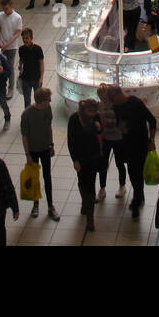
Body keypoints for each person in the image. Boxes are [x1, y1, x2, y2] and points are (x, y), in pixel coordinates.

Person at [110, 86, 156, 218]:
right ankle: (139, 197)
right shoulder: (116, 106)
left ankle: (137, 200)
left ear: (117, 95)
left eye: (112, 99)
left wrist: (151, 141)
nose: (112, 103)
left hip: (140, 146)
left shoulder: (135, 103)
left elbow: (152, 120)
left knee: (137, 174)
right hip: (126, 146)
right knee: (133, 173)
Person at [20, 87, 60, 221]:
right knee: (34, 177)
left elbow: (49, 127)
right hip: (32, 150)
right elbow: (25, 136)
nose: (50, 102)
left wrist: (52, 145)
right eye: (48, 100)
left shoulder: (47, 109)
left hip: (45, 148)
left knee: (47, 177)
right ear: (41, 100)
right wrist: (27, 155)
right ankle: (35, 204)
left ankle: (50, 205)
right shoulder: (27, 114)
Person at [67, 98, 104, 232]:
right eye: (90, 111)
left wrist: (99, 129)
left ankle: (90, 217)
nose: (92, 114)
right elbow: (70, 141)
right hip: (80, 157)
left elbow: (100, 135)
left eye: (94, 111)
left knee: (90, 185)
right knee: (82, 182)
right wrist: (74, 160)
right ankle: (85, 202)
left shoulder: (96, 117)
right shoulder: (74, 120)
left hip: (93, 156)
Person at [96, 82, 126, 202]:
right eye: (101, 96)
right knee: (103, 163)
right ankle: (102, 188)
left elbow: (120, 121)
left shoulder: (116, 105)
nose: (103, 98)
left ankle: (122, 186)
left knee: (119, 163)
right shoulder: (100, 106)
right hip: (106, 138)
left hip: (117, 138)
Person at [0, 0, 23, 100]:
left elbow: (17, 33)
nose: (5, 10)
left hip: (11, 47)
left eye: (6, 8)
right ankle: (1, 87)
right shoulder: (0, 15)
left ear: (11, 6)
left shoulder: (17, 17)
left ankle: (10, 88)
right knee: (0, 67)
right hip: (1, 47)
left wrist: (7, 44)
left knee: (10, 67)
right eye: (3, 8)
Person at [16, 28, 44, 111]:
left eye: (27, 38)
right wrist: (20, 65)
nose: (25, 40)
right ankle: (27, 117)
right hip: (26, 79)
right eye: (23, 38)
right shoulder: (21, 49)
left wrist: (41, 78)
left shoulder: (37, 49)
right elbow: (21, 59)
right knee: (27, 101)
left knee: (38, 99)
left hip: (36, 78)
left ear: (31, 38)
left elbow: (41, 63)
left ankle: (38, 115)